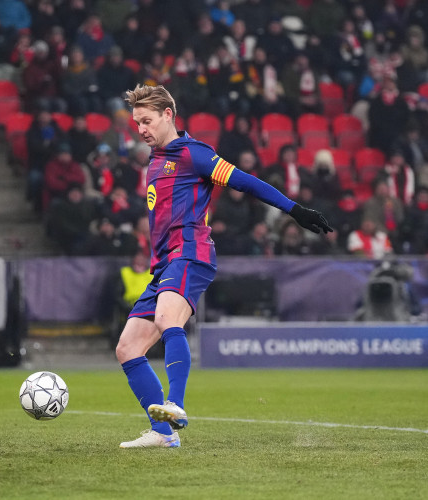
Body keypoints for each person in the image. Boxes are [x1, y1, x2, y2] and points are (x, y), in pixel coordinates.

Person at [117, 84, 332, 449]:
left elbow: (245, 182)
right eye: (137, 123)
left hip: (191, 252)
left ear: (168, 115)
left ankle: (175, 404)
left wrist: (294, 210)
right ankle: (163, 434)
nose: (141, 129)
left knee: (168, 318)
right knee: (127, 348)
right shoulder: (154, 160)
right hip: (165, 263)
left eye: (147, 121)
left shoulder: (194, 154)